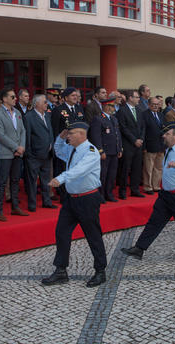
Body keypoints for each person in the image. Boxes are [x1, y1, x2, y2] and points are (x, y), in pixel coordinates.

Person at [120, 121, 175, 266]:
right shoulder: (168, 150)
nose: (164, 136)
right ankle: (139, 248)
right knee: (155, 221)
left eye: (168, 134)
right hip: (166, 195)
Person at [41, 122, 106, 288]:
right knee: (62, 232)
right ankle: (61, 270)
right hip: (71, 199)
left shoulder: (91, 152)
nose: (68, 136)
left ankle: (100, 271)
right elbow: (59, 151)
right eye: (68, 134)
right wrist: (60, 139)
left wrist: (60, 179)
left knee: (93, 235)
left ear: (81, 135)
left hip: (87, 199)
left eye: (71, 134)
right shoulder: (72, 149)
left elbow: (78, 170)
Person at [0, 88, 28, 220]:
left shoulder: (17, 112)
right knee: (2, 182)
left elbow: (23, 131)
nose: (15, 99)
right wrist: (16, 147)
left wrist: (22, 146)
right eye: (12, 97)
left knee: (15, 180)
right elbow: (0, 135)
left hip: (18, 153)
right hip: (5, 153)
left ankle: (15, 206)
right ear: (5, 99)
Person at [24, 94, 56, 210]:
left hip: (47, 154)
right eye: (44, 102)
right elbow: (27, 137)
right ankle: (32, 204)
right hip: (34, 155)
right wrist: (28, 153)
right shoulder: (29, 117)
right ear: (37, 103)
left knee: (46, 180)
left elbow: (49, 132)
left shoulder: (47, 115)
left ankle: (46, 201)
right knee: (32, 181)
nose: (47, 104)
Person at [88, 96, 122, 202]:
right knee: (103, 174)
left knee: (112, 175)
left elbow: (117, 135)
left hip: (114, 151)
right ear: (107, 106)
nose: (114, 108)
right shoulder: (98, 119)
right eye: (113, 106)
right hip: (105, 152)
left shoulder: (114, 119)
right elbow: (95, 136)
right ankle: (100, 195)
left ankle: (109, 193)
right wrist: (100, 150)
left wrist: (120, 148)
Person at [116, 89, 146, 199]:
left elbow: (143, 126)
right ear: (130, 98)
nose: (139, 99)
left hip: (139, 144)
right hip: (128, 144)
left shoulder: (139, 110)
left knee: (137, 168)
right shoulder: (122, 111)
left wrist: (141, 139)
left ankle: (135, 189)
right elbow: (123, 128)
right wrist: (134, 140)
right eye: (137, 97)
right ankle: (122, 191)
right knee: (125, 168)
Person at [142, 97, 165, 195]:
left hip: (160, 145)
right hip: (150, 145)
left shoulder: (160, 114)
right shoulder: (144, 115)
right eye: (154, 104)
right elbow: (143, 131)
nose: (156, 106)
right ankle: (148, 187)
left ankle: (156, 186)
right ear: (149, 105)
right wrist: (144, 146)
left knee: (158, 168)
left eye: (157, 104)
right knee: (148, 168)